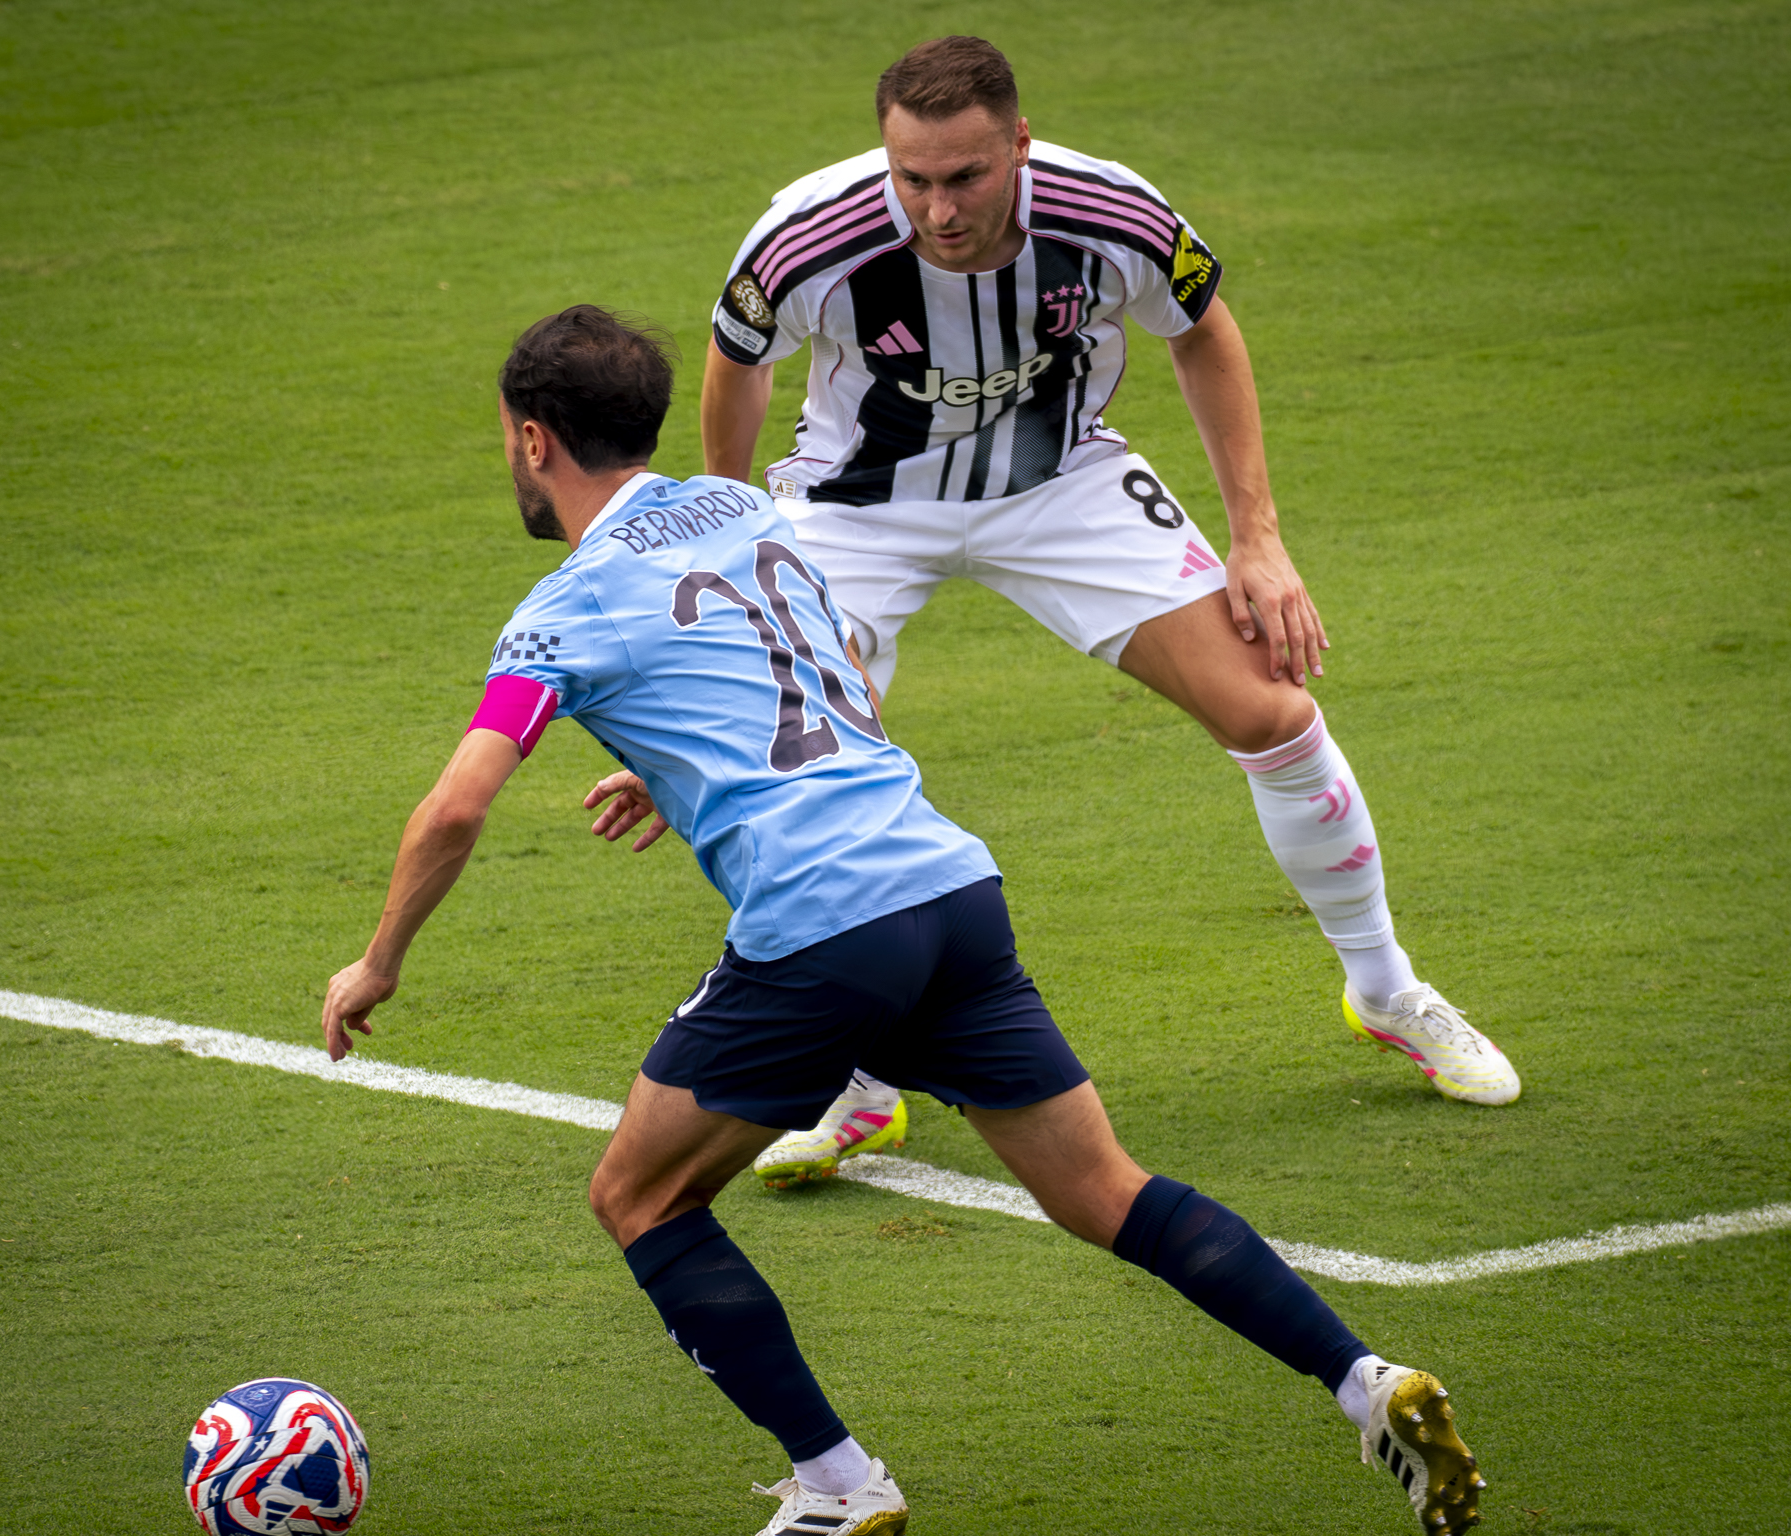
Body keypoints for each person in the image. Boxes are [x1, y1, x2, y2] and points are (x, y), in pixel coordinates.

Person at [321, 306, 1487, 1536]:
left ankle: (838, 1486)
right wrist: (680, 761)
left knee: (640, 1198)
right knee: (1105, 1190)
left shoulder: (559, 611)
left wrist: (376, 962)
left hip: (820, 925)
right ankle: (1365, 1383)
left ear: (532, 439)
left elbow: (456, 808)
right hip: (945, 890)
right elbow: (824, 674)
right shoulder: (747, 510)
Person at [701, 36, 1520, 1191]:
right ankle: (858, 1082)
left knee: (1271, 710)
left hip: (1060, 485)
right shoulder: (807, 235)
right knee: (809, 767)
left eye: (965, 177)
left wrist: (1257, 538)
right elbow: (734, 364)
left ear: (1018, 146)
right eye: (911, 178)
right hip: (857, 507)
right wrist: (739, 541)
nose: (937, 210)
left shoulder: (1109, 212)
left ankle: (1385, 991)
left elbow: (1201, 331)